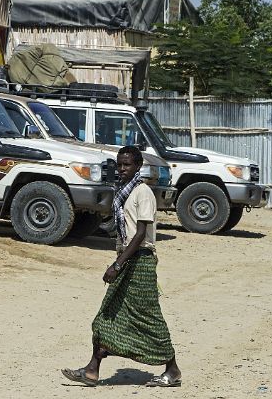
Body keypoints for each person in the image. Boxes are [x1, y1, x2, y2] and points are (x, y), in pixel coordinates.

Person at [61, 145, 181, 388]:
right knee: (107, 315)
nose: (122, 169)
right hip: (128, 259)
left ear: (138, 166)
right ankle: (92, 370)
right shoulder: (124, 192)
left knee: (148, 317)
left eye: (127, 164)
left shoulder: (143, 192)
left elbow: (140, 234)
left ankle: (173, 369)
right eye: (119, 164)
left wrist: (117, 264)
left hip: (141, 262)